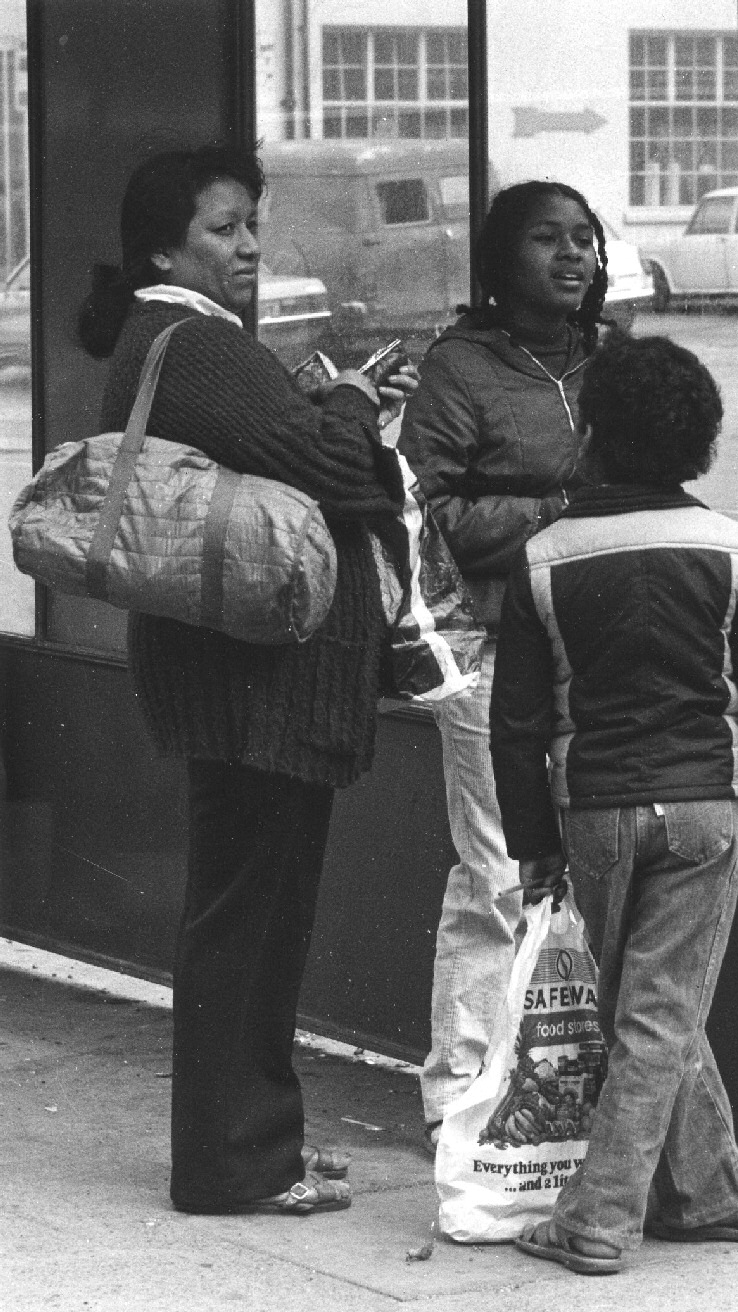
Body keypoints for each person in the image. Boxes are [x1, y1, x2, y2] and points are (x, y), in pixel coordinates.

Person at [77, 144, 415, 1216]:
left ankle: (260, 1145)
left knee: (251, 913)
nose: (250, 246)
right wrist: (356, 401)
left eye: (252, 225)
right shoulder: (200, 345)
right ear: (166, 245)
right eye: (224, 228)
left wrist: (328, 415)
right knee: (250, 918)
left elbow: (292, 452)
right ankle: (234, 1165)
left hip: (237, 679)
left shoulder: (178, 341)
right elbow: (333, 471)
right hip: (252, 685)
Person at [489, 333, 738, 1274]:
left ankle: (704, 1192)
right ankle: (603, 1219)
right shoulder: (729, 547)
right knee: (658, 1014)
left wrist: (532, 842)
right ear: (700, 444)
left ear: (590, 432)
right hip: (707, 806)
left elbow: (516, 724)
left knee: (649, 1008)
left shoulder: (544, 556)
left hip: (595, 814)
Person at [398, 180, 609, 1151]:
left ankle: (550, 1083)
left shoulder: (605, 363)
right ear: (498, 260)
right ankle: (455, 1090)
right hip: (481, 642)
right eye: (545, 240)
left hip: (586, 644)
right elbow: (424, 515)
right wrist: (546, 517)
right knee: (493, 870)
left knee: (577, 867)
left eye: (583, 240)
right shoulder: (460, 367)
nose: (570, 256)